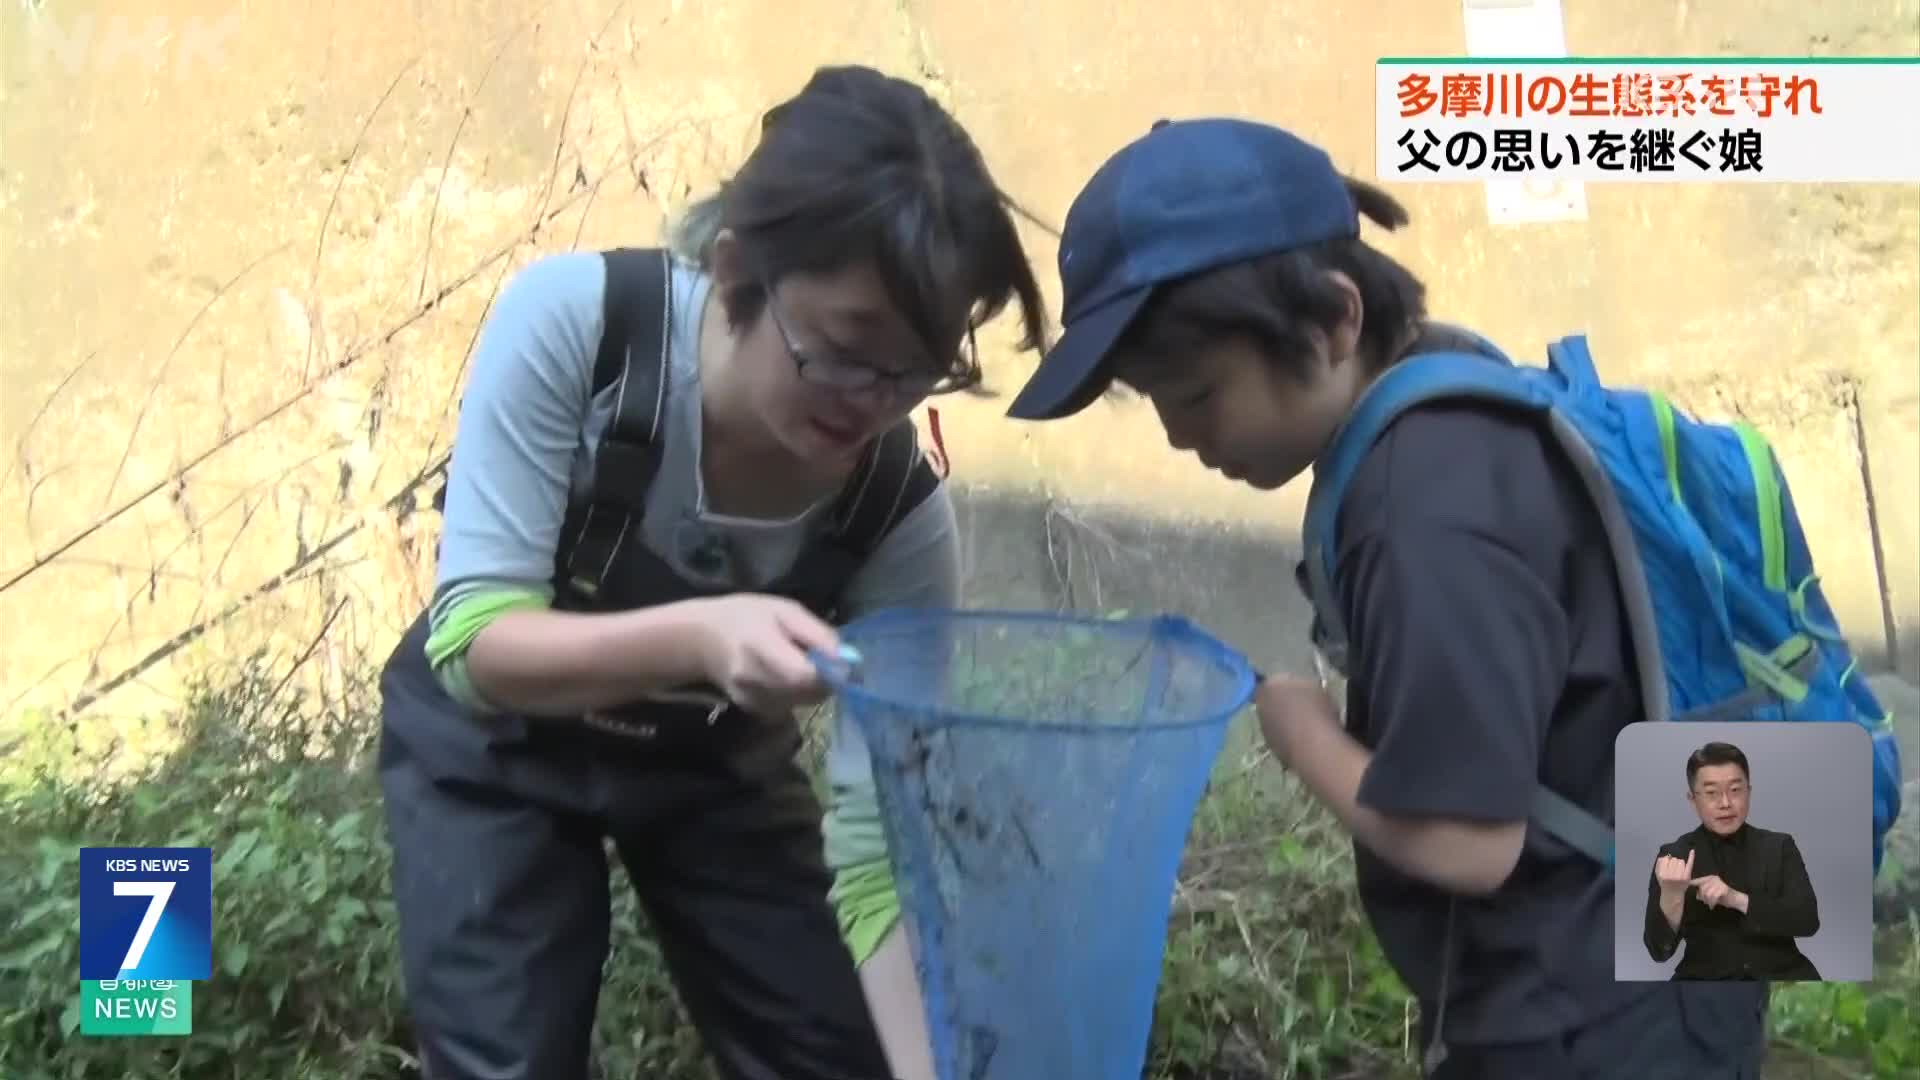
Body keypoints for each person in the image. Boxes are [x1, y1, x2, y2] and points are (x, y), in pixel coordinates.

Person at [1003, 116, 1771, 1079]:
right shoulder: (1459, 394)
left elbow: (1467, 843)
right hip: (1671, 963)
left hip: (1583, 1023)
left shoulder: (1422, 511)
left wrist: (1303, 733)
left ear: (1333, 319)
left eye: (1196, 394)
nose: (1177, 437)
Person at [375, 63, 1048, 1080]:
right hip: (496, 739)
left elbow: (878, 852)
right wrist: (699, 635)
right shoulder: (581, 329)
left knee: (845, 1053)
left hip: (711, 766)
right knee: (506, 1058)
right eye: (843, 349)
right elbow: (475, 645)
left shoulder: (899, 520)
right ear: (738, 268)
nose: (870, 400)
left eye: (917, 372)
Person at [1644, 741, 1822, 980]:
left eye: (1735, 790)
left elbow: (1808, 921)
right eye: (1711, 793)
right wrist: (1671, 897)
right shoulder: (1673, 856)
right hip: (1705, 983)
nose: (1725, 803)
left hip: (1783, 977)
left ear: (1749, 791)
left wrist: (1737, 899)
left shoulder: (1779, 846)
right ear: (1692, 800)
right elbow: (1659, 951)